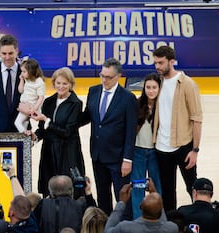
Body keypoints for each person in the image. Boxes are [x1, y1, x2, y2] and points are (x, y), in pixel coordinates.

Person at [79, 58, 137, 217]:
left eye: (108, 77)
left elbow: (131, 131)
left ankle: (124, 227)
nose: (104, 80)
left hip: (118, 158)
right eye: (102, 75)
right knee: (103, 196)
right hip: (98, 155)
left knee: (123, 198)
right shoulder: (94, 91)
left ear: (118, 76)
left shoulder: (128, 98)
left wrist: (127, 159)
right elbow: (87, 117)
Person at [152, 45, 203, 211]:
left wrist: (195, 150)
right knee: (167, 192)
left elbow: (197, 118)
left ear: (171, 61)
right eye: (155, 63)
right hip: (161, 147)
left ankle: (200, 220)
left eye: (161, 63)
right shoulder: (156, 82)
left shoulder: (188, 84)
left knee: (192, 188)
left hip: (183, 146)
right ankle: (171, 225)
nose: (157, 66)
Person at [29, 67, 85, 198]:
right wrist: (34, 136)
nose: (61, 86)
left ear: (71, 84)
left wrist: (46, 120)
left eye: (65, 83)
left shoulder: (76, 104)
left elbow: (67, 132)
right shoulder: (48, 102)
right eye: (58, 83)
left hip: (67, 153)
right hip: (49, 152)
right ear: (53, 83)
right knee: (48, 189)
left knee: (68, 190)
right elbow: (43, 129)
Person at [130, 73, 162, 219]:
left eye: (154, 87)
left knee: (157, 188)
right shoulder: (136, 105)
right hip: (138, 152)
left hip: (156, 153)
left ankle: (158, 219)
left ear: (159, 88)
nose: (151, 90)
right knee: (137, 188)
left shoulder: (164, 107)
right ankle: (138, 221)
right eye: (148, 87)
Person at [103, 179, 178, 233]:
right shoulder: (172, 228)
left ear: (140, 207)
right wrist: (154, 193)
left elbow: (107, 230)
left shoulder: (125, 227)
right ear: (161, 208)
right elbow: (162, 222)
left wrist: (121, 202)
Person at [14, 58, 45, 133]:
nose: (22, 73)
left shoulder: (39, 82)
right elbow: (20, 91)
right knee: (24, 123)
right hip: (24, 105)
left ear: (31, 71)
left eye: (24, 71)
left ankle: (26, 137)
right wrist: (21, 80)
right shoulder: (27, 80)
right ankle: (25, 140)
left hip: (30, 106)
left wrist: (34, 109)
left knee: (17, 122)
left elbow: (41, 97)